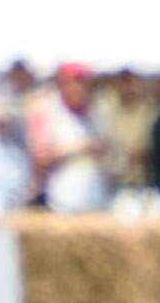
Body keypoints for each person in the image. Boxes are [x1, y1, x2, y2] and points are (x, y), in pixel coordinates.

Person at [24, 63, 112, 214]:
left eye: (84, 81)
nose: (80, 87)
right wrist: (81, 147)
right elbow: (41, 158)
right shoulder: (47, 110)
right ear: (62, 82)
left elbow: (109, 149)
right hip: (61, 199)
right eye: (75, 81)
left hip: (97, 196)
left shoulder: (99, 110)